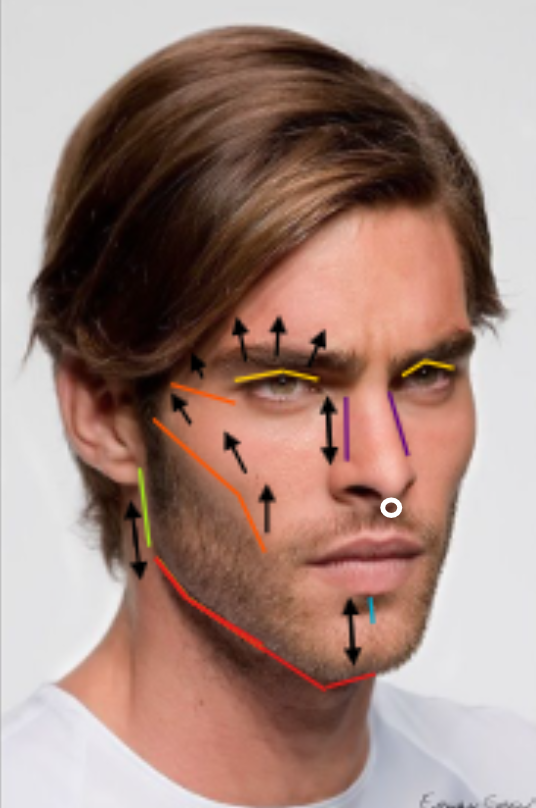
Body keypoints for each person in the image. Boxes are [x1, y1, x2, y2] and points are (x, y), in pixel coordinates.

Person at [3, 24, 535, 808]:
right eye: (286, 384)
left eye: (426, 375)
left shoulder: (511, 774)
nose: (386, 471)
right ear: (108, 414)